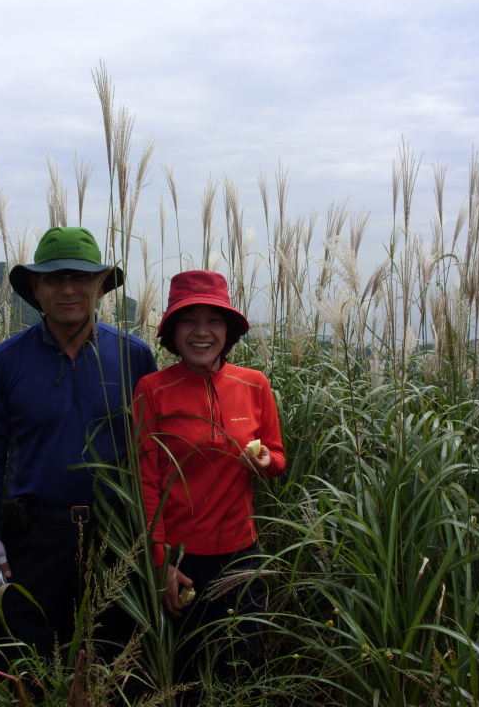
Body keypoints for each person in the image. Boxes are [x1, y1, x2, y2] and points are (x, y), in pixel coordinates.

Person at [0, 226, 157, 677]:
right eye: (54, 278)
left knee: (113, 666)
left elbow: (153, 453)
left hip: (115, 536)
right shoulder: (5, 361)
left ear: (100, 286)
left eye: (81, 277)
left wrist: (155, 540)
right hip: (31, 540)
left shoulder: (135, 357)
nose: (68, 289)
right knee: (28, 666)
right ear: (35, 287)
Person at [132, 269, 285, 691]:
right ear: (172, 331)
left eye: (214, 321)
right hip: (183, 563)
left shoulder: (254, 384)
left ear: (228, 329)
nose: (202, 332)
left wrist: (264, 462)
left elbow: (277, 456)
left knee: (244, 673)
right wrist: (161, 564)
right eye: (188, 321)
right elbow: (147, 483)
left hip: (243, 557)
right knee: (185, 681)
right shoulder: (153, 389)